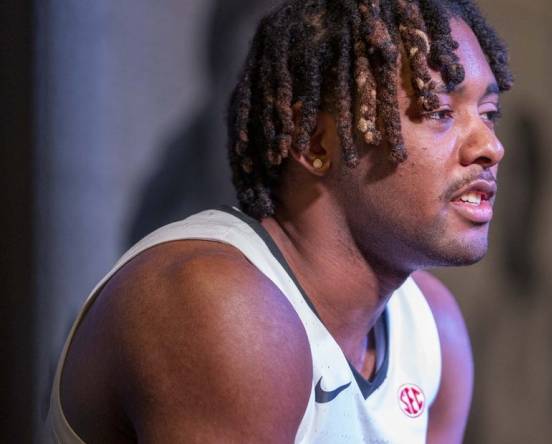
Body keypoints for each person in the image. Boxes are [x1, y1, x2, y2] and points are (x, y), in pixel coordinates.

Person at [46, 0, 512, 442]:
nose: (490, 147)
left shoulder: (432, 328)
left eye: (488, 113)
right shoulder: (217, 302)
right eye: (439, 112)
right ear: (314, 144)